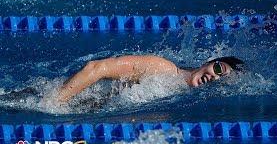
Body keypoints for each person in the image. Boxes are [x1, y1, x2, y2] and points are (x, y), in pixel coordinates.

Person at [57, 55, 244, 102]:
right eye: (218, 68)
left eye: (222, 79)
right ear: (209, 62)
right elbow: (97, 67)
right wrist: (57, 102)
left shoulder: (179, 94)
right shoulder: (162, 68)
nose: (214, 77)